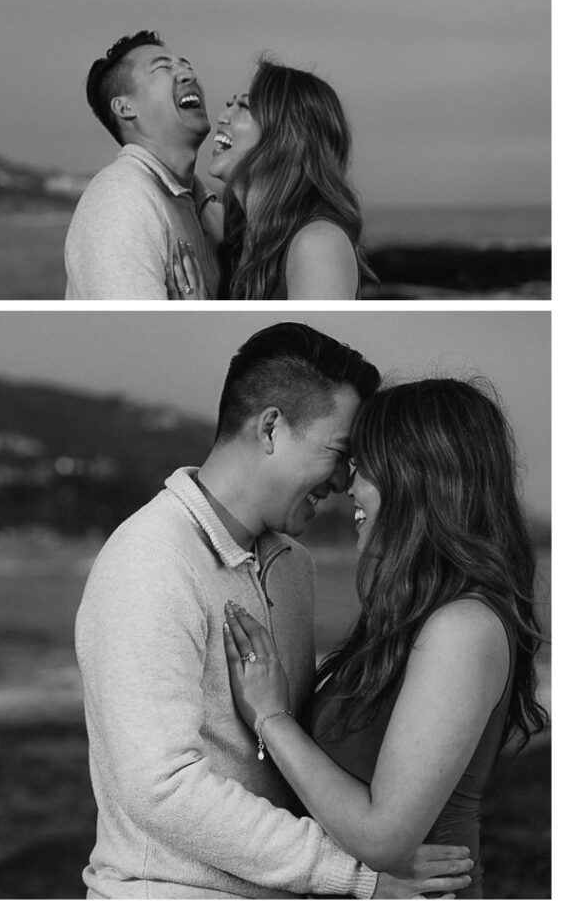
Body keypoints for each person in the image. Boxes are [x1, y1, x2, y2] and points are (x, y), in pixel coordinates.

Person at [75, 323, 473, 899]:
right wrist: (356, 875)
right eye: (339, 453)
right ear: (270, 428)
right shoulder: (150, 558)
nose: (343, 482)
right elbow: (159, 787)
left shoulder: (294, 567)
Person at [223, 378, 548, 899]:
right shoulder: (415, 620)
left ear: (415, 477)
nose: (350, 486)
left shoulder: (463, 628)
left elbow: (384, 836)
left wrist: (271, 717)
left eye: (366, 466)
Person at [173, 58, 375, 300]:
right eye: (230, 104)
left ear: (286, 135)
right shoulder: (242, 239)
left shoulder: (318, 244)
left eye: (244, 107)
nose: (223, 116)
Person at [65, 30, 222, 300]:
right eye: (163, 68)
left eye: (187, 65)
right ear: (124, 107)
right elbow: (125, 333)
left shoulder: (207, 207)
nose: (188, 75)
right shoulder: (120, 198)